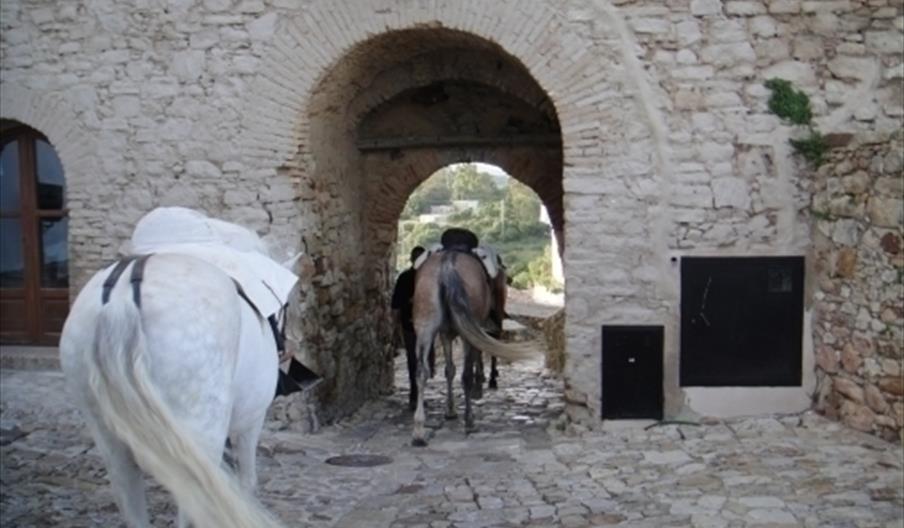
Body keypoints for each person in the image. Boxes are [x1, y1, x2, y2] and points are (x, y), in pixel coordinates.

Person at [392, 246, 435, 410]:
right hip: (420, 325)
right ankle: (416, 393)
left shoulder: (404, 277)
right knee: (419, 359)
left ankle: (415, 394)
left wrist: (395, 326)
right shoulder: (430, 279)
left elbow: (395, 305)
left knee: (414, 359)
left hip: (409, 324)